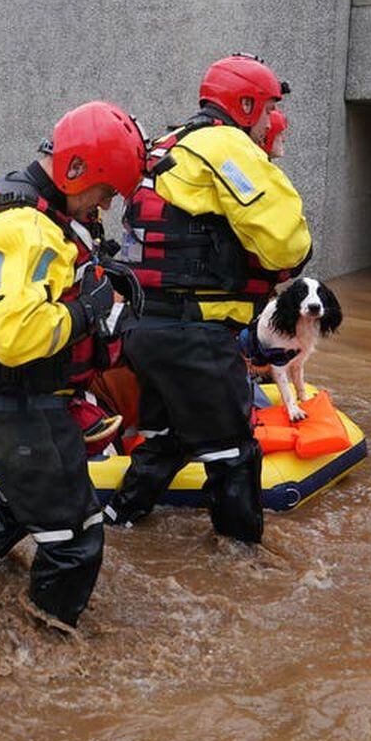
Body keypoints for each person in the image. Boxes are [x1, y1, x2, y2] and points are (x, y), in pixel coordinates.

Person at [0, 101, 148, 629]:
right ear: (77, 171)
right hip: (9, 397)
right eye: (103, 194)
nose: (102, 208)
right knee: (76, 537)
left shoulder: (16, 196)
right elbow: (15, 338)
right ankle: (45, 659)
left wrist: (100, 281)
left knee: (19, 499)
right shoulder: (26, 228)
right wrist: (88, 310)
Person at [104, 53, 313, 542]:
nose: (268, 124)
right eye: (265, 111)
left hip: (145, 330)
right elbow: (287, 243)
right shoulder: (226, 146)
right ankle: (242, 567)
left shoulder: (166, 144)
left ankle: (121, 522)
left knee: (168, 438)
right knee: (235, 456)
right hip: (194, 333)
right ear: (244, 104)